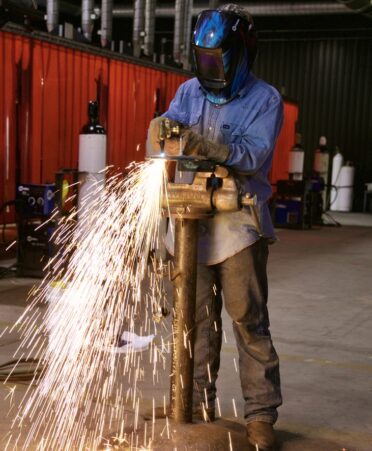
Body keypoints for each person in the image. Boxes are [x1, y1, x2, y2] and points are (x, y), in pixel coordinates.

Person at [147, 4, 283, 450]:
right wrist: (161, 132)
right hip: (191, 223)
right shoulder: (188, 91)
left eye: (217, 60)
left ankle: (260, 417)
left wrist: (209, 144)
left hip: (237, 224)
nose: (210, 69)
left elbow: (251, 155)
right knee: (194, 323)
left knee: (248, 321)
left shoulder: (266, 99)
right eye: (203, 60)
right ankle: (197, 406)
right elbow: (167, 139)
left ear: (240, 54)